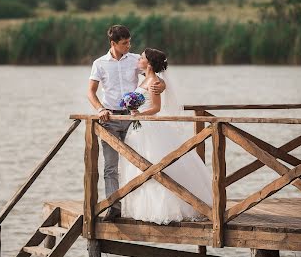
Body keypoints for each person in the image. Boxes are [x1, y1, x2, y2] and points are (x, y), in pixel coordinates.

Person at [119, 48, 213, 224]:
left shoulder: (154, 81)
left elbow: (156, 108)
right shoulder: (144, 78)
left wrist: (139, 114)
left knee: (154, 165)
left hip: (149, 127)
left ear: (149, 63)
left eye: (142, 58)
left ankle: (163, 209)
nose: (138, 60)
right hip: (139, 128)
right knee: (139, 167)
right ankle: (142, 208)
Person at [88, 25, 165, 220]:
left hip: (134, 121)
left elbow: (154, 77)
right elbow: (91, 92)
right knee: (111, 167)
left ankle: (140, 207)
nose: (129, 46)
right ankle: (114, 207)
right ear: (113, 43)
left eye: (129, 41)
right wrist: (100, 109)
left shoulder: (135, 60)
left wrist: (161, 86)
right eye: (124, 43)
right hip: (110, 120)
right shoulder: (99, 64)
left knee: (140, 163)